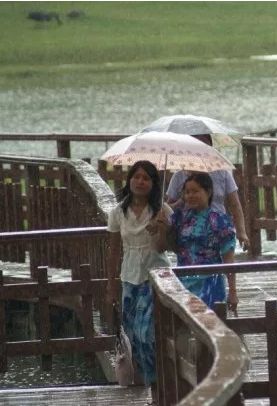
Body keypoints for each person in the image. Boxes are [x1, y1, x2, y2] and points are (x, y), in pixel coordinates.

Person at [106, 160, 172, 398]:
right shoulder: (118, 212)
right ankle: (145, 383)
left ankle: (156, 384)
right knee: (132, 334)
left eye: (146, 178)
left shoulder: (161, 210)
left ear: (153, 184)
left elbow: (165, 248)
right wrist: (111, 285)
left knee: (147, 333)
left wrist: (161, 229)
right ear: (129, 180)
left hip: (154, 277)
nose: (141, 181)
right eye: (137, 177)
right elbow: (114, 251)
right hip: (129, 277)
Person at [158, 172, 238, 312]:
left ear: (208, 192)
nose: (190, 196)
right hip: (183, 282)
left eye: (195, 191)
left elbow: (228, 259)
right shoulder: (179, 218)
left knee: (209, 326)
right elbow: (167, 246)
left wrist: (232, 291)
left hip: (210, 283)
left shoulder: (219, 221)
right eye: (187, 192)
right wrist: (163, 228)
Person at [166, 133, 250, 250]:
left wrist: (241, 232)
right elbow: (168, 209)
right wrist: (181, 201)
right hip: (188, 230)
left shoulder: (222, 172)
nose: (200, 152)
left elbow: (235, 204)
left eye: (204, 147)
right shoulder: (179, 176)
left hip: (217, 228)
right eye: (195, 147)